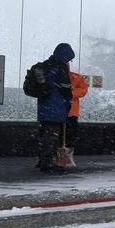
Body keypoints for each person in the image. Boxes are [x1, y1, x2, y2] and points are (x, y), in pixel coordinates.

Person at [33, 43, 75, 174]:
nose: (69, 61)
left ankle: (42, 161)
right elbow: (66, 88)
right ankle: (48, 163)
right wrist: (68, 101)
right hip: (56, 107)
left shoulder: (46, 65)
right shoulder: (60, 67)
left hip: (44, 106)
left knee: (44, 134)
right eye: (69, 58)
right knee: (51, 136)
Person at [66, 69, 89, 155]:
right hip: (65, 112)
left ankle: (67, 155)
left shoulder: (76, 77)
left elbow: (83, 90)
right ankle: (63, 156)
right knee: (66, 134)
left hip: (71, 112)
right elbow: (83, 89)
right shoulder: (75, 77)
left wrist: (70, 94)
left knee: (70, 135)